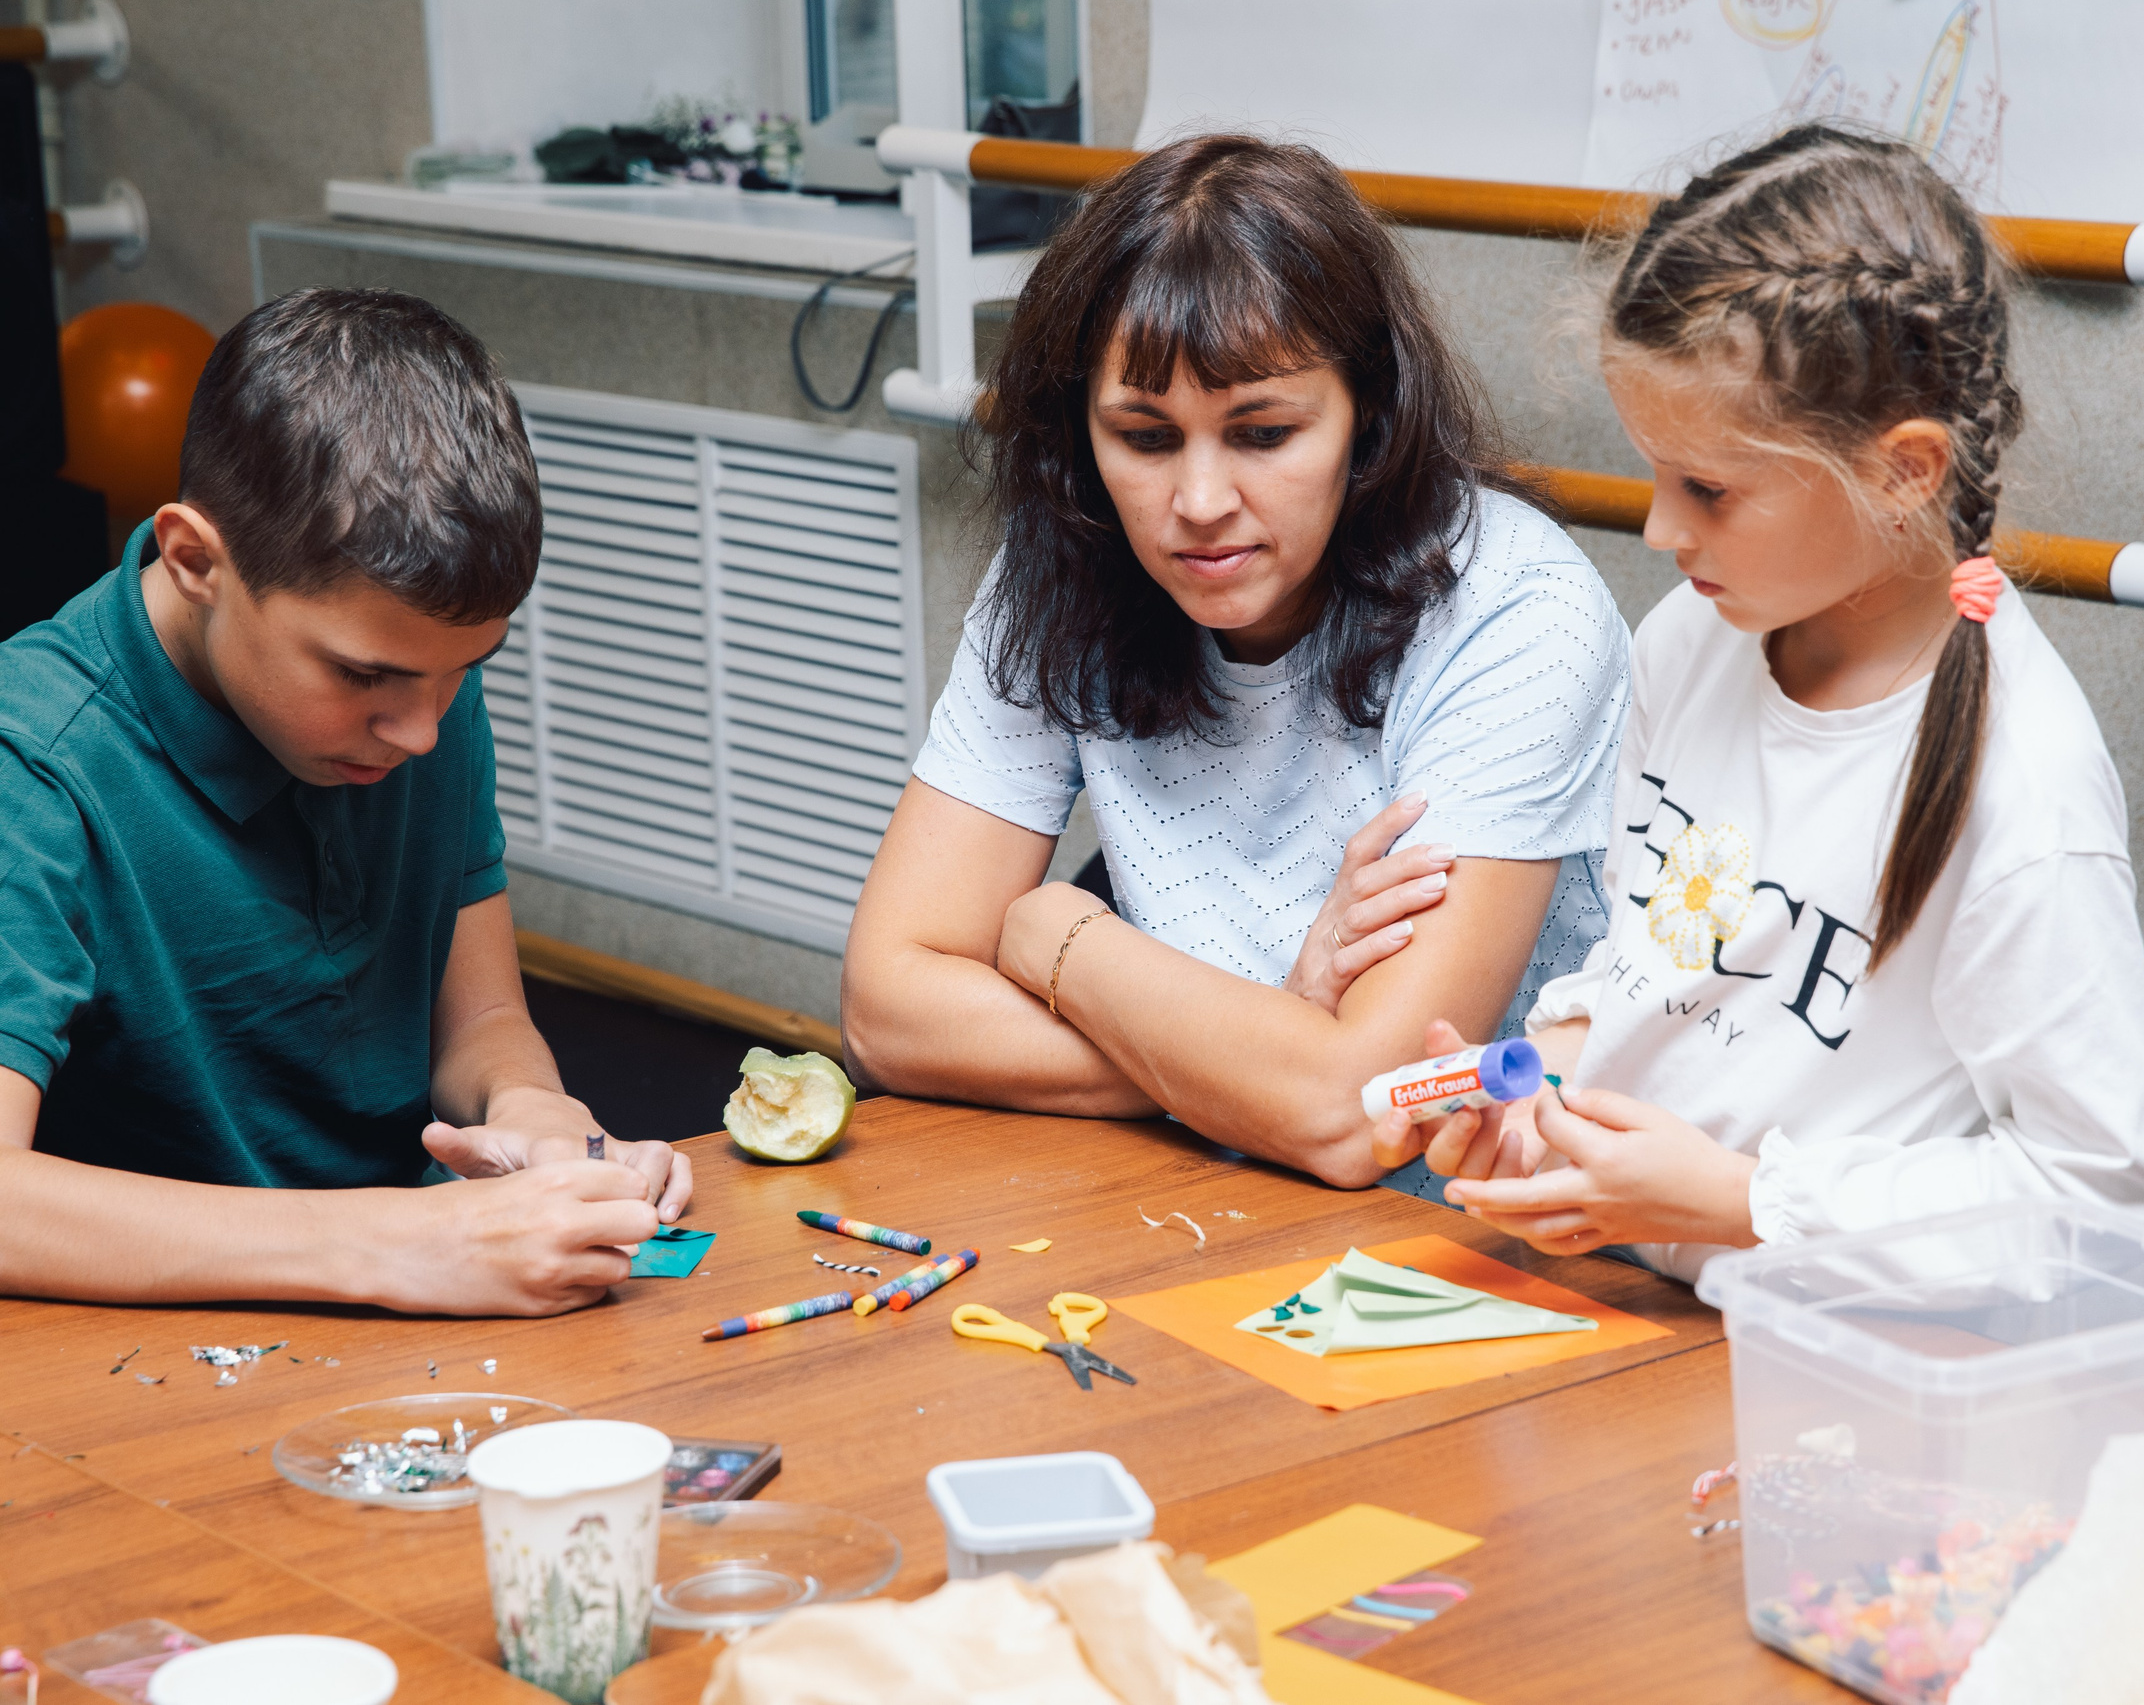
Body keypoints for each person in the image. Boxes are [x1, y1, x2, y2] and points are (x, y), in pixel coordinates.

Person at [1373, 126, 2144, 1279]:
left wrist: (1748, 1201)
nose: (1660, 530)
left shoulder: (2026, 786)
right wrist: (1542, 1089)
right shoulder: (1693, 634)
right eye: (1656, 473)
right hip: (1635, 1317)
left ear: (1903, 471)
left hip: (1846, 1382)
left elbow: (2097, 1202)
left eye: (1706, 488)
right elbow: (1664, 972)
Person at [843, 135, 1629, 1187]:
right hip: (1216, 1180)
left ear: (1369, 418)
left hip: (1488, 1235)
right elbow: (887, 1009)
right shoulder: (1060, 565)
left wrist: (1057, 935)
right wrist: (1268, 1038)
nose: (1201, 503)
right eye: (1146, 438)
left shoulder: (1513, 607)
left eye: (1262, 434)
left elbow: (1367, 1115)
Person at [0, 287, 689, 1315]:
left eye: (465, 668)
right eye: (365, 678)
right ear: (195, 562)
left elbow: (483, 1019)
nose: (420, 731)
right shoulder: (32, 763)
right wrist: (398, 1243)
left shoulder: (416, 672)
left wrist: (538, 1113)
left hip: (405, 1311)